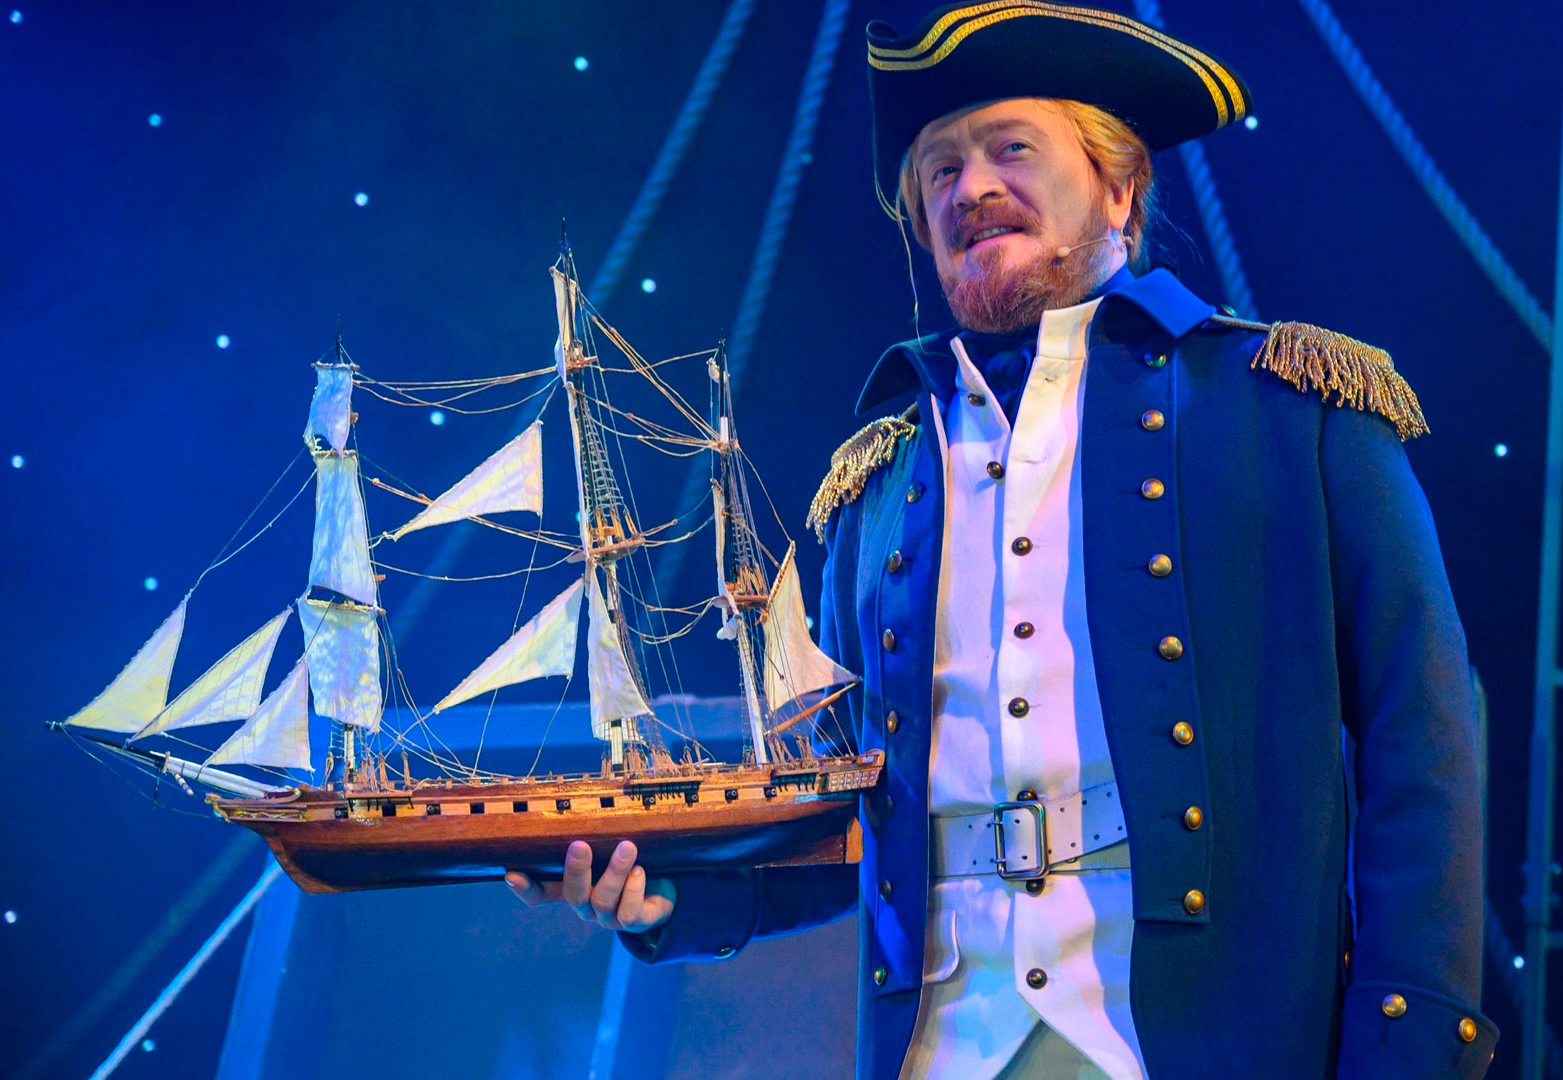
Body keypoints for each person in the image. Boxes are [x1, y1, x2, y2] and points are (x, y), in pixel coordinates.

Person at [509, 3, 1496, 1077]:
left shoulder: (1297, 415)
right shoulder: (876, 494)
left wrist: (1410, 1048)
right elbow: (837, 822)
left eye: (1011, 148)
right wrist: (669, 894)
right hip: (945, 1049)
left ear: (1119, 187)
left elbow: (1423, 740)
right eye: (938, 170)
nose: (968, 187)